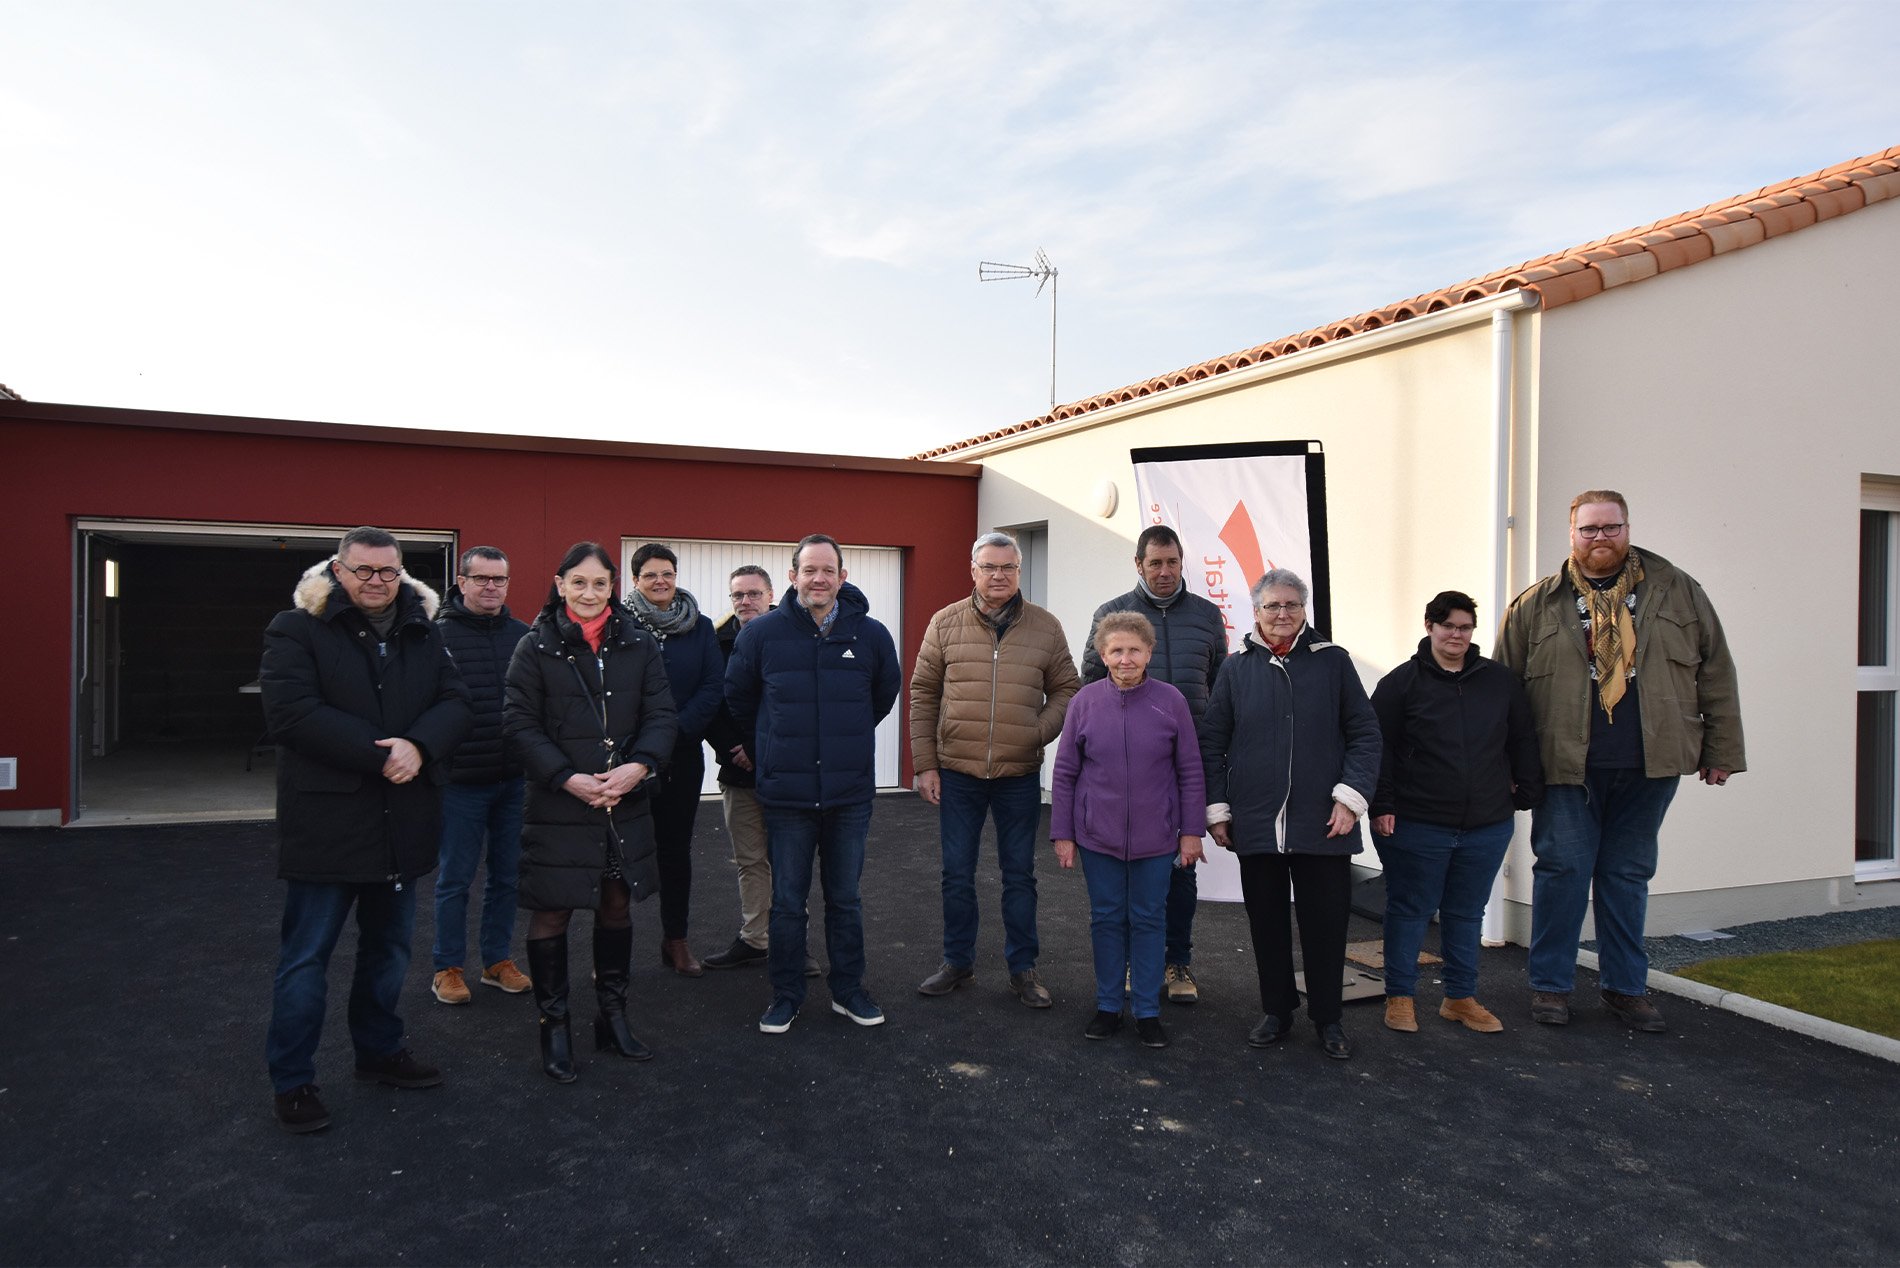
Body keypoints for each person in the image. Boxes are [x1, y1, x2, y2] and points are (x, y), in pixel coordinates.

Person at [1496, 489, 1745, 1032]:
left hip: (1649, 765)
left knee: (1627, 875)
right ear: (1572, 535)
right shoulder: (1535, 604)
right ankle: (1551, 988)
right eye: (1589, 529)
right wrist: (1509, 767)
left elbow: (1716, 673)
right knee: (1562, 873)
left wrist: (1721, 751)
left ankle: (1625, 988)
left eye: (1610, 528)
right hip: (1564, 768)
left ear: (1627, 529)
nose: (1600, 538)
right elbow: (1505, 694)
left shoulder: (1679, 592)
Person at [260, 526, 472, 1133]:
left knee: (388, 952)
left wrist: (420, 745)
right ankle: (293, 1081)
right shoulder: (296, 628)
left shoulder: (425, 632)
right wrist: (382, 753)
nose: (376, 582)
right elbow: (291, 713)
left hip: (402, 824)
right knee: (306, 959)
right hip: (327, 826)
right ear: (337, 570)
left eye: (388, 572)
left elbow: (456, 704)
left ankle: (379, 1052)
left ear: (402, 572)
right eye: (363, 571)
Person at [504, 542, 677, 1081]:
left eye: (599, 583)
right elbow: (518, 724)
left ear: (613, 588)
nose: (589, 593)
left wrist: (639, 767)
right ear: (559, 585)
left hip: (622, 802)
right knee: (552, 910)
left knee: (616, 905)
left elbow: (662, 715)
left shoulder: (640, 645)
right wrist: (566, 777)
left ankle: (613, 1017)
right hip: (561, 803)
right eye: (578, 582)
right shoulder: (533, 648)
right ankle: (554, 1027)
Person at [724, 534, 901, 1034]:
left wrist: (842, 739)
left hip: (849, 795)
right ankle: (786, 994)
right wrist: (771, 748)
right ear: (793, 577)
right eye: (809, 570)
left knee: (844, 898)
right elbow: (739, 699)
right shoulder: (761, 635)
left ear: (842, 577)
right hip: (786, 795)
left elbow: (883, 695)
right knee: (786, 902)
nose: (818, 579)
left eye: (828, 570)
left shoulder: (871, 636)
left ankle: (849, 991)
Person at [1202, 569, 1380, 1061]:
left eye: (1292, 606)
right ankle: (1277, 1011)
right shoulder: (1236, 669)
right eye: (1272, 606)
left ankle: (1329, 1019)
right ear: (1255, 612)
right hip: (1256, 824)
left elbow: (1365, 734)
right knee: (1267, 923)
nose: (1283, 614)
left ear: (1304, 611)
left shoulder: (1333, 663)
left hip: (1324, 823)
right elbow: (1213, 741)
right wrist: (1218, 810)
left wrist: (1350, 798)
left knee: (1326, 926)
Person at [911, 531, 1080, 1007]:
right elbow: (923, 693)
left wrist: (1035, 731)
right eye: (989, 567)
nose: (998, 575)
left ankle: (1023, 969)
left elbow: (1068, 688)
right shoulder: (944, 623)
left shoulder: (1045, 627)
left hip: (1019, 774)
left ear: (1019, 571)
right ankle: (957, 962)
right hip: (958, 772)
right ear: (973, 570)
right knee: (957, 874)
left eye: (1007, 567)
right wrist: (926, 764)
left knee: (1019, 875)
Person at [1369, 591, 1544, 1035]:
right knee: (1409, 909)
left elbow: (1521, 737)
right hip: (1416, 823)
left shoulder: (1499, 682)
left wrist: (1526, 791)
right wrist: (1382, 805)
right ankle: (1401, 996)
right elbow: (1377, 750)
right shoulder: (1400, 684)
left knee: (1467, 913)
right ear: (1429, 625)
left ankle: (1460, 997)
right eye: (1448, 626)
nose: (1457, 635)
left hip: (1486, 824)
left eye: (1465, 627)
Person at [1078, 525, 1227, 1006]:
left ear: (1183, 563)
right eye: (1155, 563)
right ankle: (1126, 966)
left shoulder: (1207, 616)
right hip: (1126, 768)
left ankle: (1176, 960)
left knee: (1182, 867)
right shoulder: (1113, 615)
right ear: (1138, 564)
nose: (1164, 572)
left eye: (1173, 563)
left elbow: (1219, 684)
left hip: (1190, 760)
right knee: (1124, 879)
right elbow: (1090, 683)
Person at [1052, 612, 1206, 1048]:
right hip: (1096, 836)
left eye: (1134, 650)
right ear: (1102, 655)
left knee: (1148, 918)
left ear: (1149, 653)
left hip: (1157, 838)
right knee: (1105, 919)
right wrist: (1063, 834)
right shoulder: (1084, 702)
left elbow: (1190, 771)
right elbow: (1064, 773)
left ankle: (1147, 1011)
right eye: (1116, 650)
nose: (1125, 659)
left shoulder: (1171, 701)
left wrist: (1191, 831)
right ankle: (1106, 1006)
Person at [700, 565, 816, 977]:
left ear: (771, 594)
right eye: (738, 595)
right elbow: (711, 703)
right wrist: (737, 750)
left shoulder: (796, 637)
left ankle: (792, 942)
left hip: (786, 774)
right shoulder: (715, 642)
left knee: (789, 861)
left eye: (753, 594)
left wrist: (759, 749)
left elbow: (799, 702)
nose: (745, 602)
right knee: (750, 860)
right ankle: (755, 939)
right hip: (738, 772)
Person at [429, 546, 533, 1005]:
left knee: (507, 876)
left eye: (499, 579)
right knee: (455, 878)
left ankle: (496, 961)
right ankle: (447, 967)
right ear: (462, 581)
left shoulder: (523, 635)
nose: (491, 586)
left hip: (513, 779)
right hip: (460, 782)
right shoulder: (435, 637)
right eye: (482, 578)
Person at [624, 543, 724, 977]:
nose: (660, 581)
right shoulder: (618, 625)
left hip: (681, 756)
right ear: (635, 581)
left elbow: (711, 686)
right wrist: (644, 742)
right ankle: (614, 950)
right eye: (650, 575)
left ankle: (676, 940)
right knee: (618, 854)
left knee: (675, 852)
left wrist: (673, 733)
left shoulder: (699, 627)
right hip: (626, 759)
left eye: (667, 573)